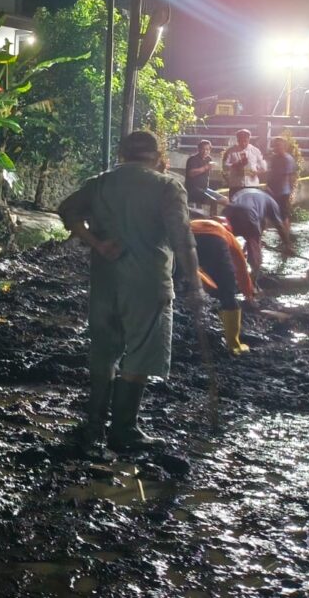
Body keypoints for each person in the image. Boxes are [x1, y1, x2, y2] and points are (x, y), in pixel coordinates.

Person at [58, 131, 201, 453]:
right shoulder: (167, 186)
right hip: (148, 284)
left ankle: (94, 424)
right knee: (140, 352)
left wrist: (97, 243)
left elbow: (67, 211)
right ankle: (124, 429)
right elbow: (182, 239)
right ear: (158, 156)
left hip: (105, 282)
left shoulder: (101, 183)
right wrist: (195, 282)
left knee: (104, 351)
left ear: (122, 153)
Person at [190, 219, 255, 355]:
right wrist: (248, 292)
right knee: (228, 293)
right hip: (214, 242)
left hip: (184, 237)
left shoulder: (195, 222)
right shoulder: (226, 234)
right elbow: (241, 267)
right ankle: (234, 345)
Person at [223, 187, 292, 280]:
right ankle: (254, 281)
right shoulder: (270, 200)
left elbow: (259, 224)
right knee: (255, 251)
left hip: (229, 213)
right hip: (248, 214)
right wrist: (287, 245)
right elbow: (279, 226)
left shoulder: (247, 193)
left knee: (225, 244)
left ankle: (225, 272)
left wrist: (249, 244)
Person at [266, 137, 299, 232]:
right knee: (271, 214)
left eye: (278, 145)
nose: (276, 147)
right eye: (275, 145)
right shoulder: (274, 158)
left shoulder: (287, 159)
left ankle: (287, 237)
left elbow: (286, 176)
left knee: (283, 215)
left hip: (282, 191)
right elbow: (272, 172)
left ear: (284, 146)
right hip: (273, 190)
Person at [222, 129, 268, 196]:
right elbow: (224, 166)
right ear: (237, 139)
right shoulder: (230, 151)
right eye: (240, 141)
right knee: (236, 205)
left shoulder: (255, 150)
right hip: (236, 185)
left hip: (252, 184)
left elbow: (264, 167)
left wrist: (257, 172)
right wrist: (236, 165)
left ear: (249, 139)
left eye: (245, 141)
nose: (243, 143)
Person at [184, 140, 215, 206]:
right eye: (203, 149)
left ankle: (213, 214)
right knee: (197, 211)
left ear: (210, 150)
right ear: (198, 149)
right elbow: (191, 173)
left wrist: (210, 168)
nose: (205, 151)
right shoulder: (193, 159)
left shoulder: (209, 159)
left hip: (205, 189)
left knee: (223, 199)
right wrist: (206, 167)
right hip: (193, 189)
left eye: (207, 149)